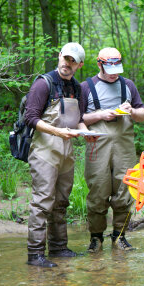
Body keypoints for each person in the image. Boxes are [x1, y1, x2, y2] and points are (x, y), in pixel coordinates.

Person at [25, 42, 95, 267]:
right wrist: (57, 131)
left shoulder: (78, 88)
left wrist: (87, 133)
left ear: (80, 65)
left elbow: (80, 119)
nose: (67, 63)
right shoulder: (42, 84)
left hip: (67, 152)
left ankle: (58, 247)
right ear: (59, 56)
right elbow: (31, 118)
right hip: (45, 151)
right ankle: (35, 254)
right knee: (43, 201)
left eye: (73, 61)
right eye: (65, 58)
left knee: (61, 201)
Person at [81, 47, 144, 252]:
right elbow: (78, 118)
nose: (115, 73)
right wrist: (101, 115)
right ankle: (96, 238)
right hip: (97, 147)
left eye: (118, 68)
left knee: (125, 190)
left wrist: (132, 111)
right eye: (111, 69)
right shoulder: (86, 87)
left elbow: (143, 114)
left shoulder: (128, 85)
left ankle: (120, 236)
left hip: (124, 147)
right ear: (99, 64)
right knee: (98, 191)